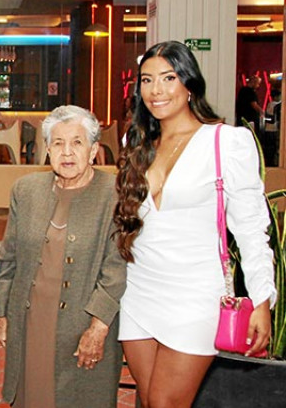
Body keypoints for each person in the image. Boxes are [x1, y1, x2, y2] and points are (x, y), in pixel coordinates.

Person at [115, 41, 277, 408]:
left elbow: (252, 231)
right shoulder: (138, 143)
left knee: (165, 402)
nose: (157, 90)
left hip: (194, 296)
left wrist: (262, 302)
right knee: (150, 401)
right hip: (140, 292)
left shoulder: (226, 142)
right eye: (147, 80)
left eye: (168, 78)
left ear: (189, 84)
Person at [0, 105, 126, 407]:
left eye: (77, 142)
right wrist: (1, 312)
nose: (67, 152)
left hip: (84, 322)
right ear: (47, 150)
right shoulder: (26, 190)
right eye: (58, 143)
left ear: (93, 150)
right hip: (30, 319)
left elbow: (117, 268)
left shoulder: (114, 194)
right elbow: (7, 259)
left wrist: (98, 326)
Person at [262, 89, 281, 166]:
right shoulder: (276, 105)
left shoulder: (270, 104)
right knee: (273, 149)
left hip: (268, 129)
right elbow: (273, 119)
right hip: (273, 130)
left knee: (270, 150)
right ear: (276, 97)